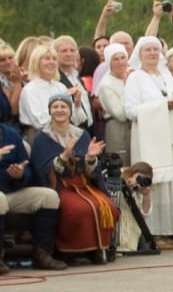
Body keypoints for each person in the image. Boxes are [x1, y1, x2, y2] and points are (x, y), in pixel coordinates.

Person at [29, 92, 118, 263]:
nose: (59, 110)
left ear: (70, 110)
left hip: (83, 184)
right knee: (76, 209)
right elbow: (42, 171)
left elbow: (91, 171)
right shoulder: (42, 138)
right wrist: (63, 157)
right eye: (55, 107)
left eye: (63, 107)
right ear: (50, 111)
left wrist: (90, 158)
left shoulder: (81, 134)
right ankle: (70, 250)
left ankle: (98, 249)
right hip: (59, 186)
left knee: (106, 206)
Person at [124, 37, 173, 248]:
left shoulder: (166, 76)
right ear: (140, 54)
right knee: (156, 183)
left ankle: (169, 231)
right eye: (148, 50)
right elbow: (130, 110)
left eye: (156, 49)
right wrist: (164, 106)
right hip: (150, 137)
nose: (153, 53)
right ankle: (154, 232)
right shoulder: (135, 78)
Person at [0, 121, 68, 272]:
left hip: (11, 190)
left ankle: (42, 255)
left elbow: (27, 167)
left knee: (48, 196)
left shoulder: (11, 134)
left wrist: (20, 174)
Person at [96, 44, 132, 166]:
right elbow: (121, 114)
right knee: (121, 165)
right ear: (109, 62)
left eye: (123, 57)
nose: (120, 62)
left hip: (134, 127)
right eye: (115, 59)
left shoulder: (132, 75)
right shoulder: (106, 84)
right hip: (117, 129)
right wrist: (127, 86)